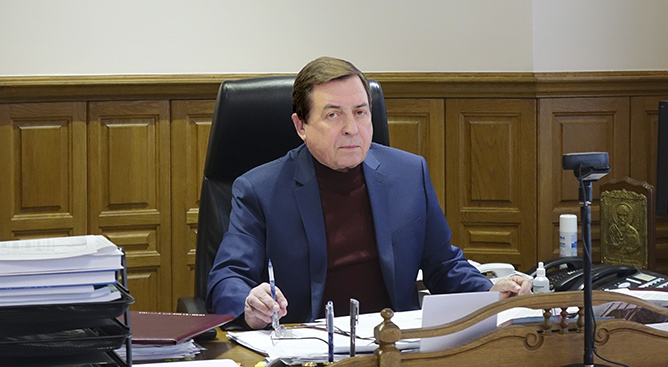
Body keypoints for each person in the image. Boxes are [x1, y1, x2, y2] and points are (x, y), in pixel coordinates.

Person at [207, 57, 531, 329]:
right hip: (307, 351)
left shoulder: (409, 173)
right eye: (333, 115)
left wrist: (489, 291)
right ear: (300, 126)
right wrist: (250, 304)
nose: (352, 128)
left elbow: (443, 265)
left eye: (360, 112)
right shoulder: (260, 189)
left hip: (393, 344)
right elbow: (227, 278)